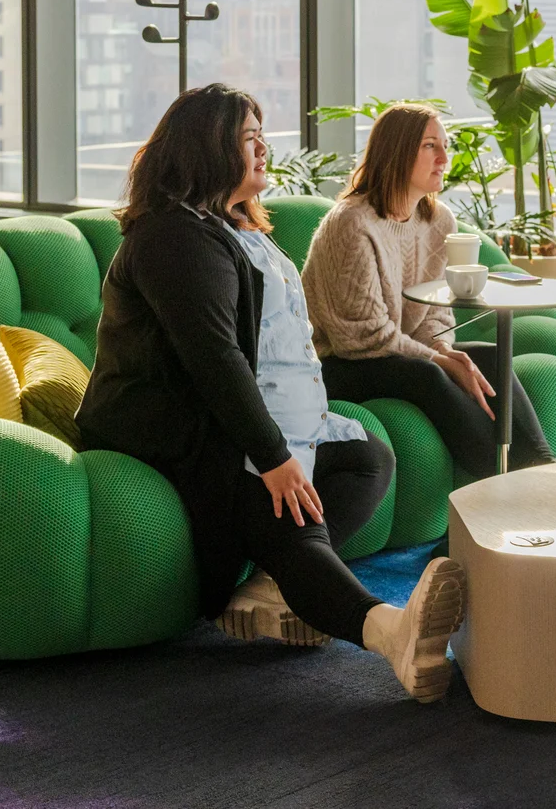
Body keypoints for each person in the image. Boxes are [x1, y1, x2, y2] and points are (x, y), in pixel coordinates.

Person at [75, 84, 466, 702]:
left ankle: (268, 588)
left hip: (239, 414)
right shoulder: (174, 238)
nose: (264, 150)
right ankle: (392, 632)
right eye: (249, 139)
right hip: (176, 424)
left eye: (262, 136)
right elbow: (215, 359)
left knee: (368, 457)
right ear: (208, 150)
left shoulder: (229, 226)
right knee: (289, 510)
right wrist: (275, 455)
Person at [303, 103, 556, 474]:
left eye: (444, 145)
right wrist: (438, 360)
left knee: (486, 355)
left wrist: (441, 348)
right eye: (429, 146)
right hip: (336, 364)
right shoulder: (352, 223)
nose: (444, 157)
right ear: (397, 151)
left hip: (398, 353)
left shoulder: (438, 220)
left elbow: (435, 312)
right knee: (428, 373)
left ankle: (542, 466)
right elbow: (361, 338)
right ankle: (502, 478)